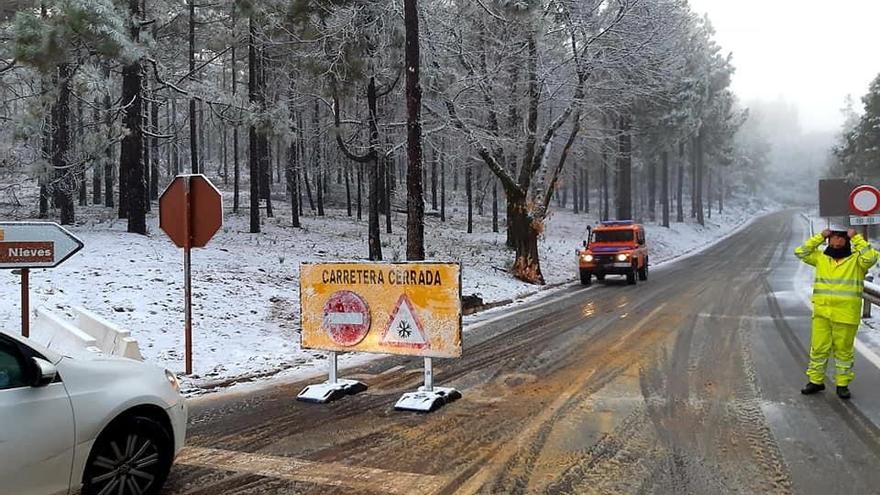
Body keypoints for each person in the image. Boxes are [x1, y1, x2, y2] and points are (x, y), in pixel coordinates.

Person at [795, 227, 879, 399]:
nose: (837, 241)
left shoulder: (857, 260)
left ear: (846, 241)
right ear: (829, 240)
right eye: (833, 237)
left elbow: (871, 258)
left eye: (841, 238)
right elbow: (801, 252)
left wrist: (856, 238)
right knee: (818, 349)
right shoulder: (821, 258)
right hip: (822, 312)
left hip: (846, 315)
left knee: (843, 352)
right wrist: (819, 236)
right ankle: (816, 381)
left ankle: (842, 384)